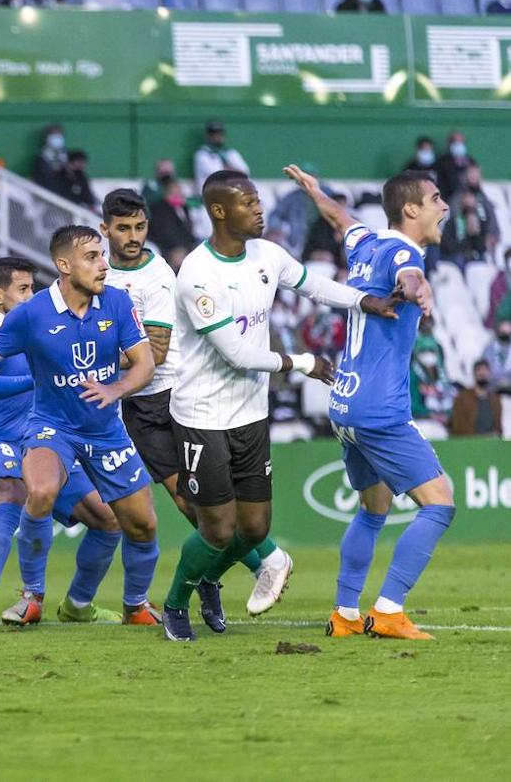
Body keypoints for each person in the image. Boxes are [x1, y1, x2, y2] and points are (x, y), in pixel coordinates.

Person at [158, 169, 400, 642]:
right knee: (218, 529)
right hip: (202, 417)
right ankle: (175, 603)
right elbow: (239, 354)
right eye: (248, 203)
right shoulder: (197, 275)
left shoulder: (266, 255)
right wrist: (304, 361)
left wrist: (361, 300)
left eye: (257, 201)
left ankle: (209, 576)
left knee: (254, 527)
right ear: (219, 211)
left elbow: (313, 285)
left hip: (250, 414)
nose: (259, 209)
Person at [0, 226, 163, 627]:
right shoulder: (32, 314)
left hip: (105, 431)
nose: (103, 265)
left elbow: (145, 363)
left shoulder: (117, 302)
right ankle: (31, 597)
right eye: (93, 258)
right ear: (64, 266)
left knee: (137, 523)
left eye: (102, 256)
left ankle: (128, 605)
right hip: (51, 427)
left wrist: (115, 388)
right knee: (40, 490)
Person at [102, 189, 290, 628]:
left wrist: (90, 355)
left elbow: (159, 353)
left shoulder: (162, 277)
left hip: (172, 396)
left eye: (140, 227)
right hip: (137, 406)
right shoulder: (98, 270)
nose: (132, 236)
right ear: (104, 229)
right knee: (192, 508)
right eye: (123, 228)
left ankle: (264, 561)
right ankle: (216, 578)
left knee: (198, 506)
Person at [286, 164, 459, 639]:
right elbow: (408, 277)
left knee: (373, 509)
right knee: (439, 503)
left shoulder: (366, 244)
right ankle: (387, 611)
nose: (444, 208)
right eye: (437, 200)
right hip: (380, 407)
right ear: (411, 209)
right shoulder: (404, 251)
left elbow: (341, 219)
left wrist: (317, 192)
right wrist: (416, 290)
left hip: (344, 402)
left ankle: (344, 616)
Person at [144, 160, 199, 263]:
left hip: (186, 245)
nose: (178, 193)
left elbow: (187, 231)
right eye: (173, 192)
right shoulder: (159, 207)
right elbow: (165, 233)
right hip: (167, 248)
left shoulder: (183, 207)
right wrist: (177, 249)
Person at [450, 359, 502, 435]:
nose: (482, 373)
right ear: (474, 373)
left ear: (489, 373)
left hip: (491, 442)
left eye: (485, 370)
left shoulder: (496, 400)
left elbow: (498, 426)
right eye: (479, 370)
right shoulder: (462, 398)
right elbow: (457, 426)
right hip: (470, 441)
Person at [192, 119, 249, 186]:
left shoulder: (231, 153)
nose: (217, 136)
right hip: (209, 194)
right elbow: (218, 174)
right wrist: (234, 171)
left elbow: (245, 172)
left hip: (232, 193)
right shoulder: (201, 154)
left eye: (219, 133)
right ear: (208, 135)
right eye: (213, 133)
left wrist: (227, 169)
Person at [434, 130, 474, 202]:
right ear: (449, 143)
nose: (458, 144)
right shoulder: (441, 161)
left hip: (467, 197)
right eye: (455, 141)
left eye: (460, 141)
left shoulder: (470, 161)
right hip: (448, 197)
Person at [31, 124, 69, 196]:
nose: (57, 138)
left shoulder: (67, 156)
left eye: (59, 136)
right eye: (54, 135)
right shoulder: (41, 158)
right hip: (47, 195)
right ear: (46, 138)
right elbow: (46, 178)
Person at [482, 319, 511, 393]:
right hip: (493, 390)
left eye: (508, 332)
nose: (506, 334)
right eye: (503, 332)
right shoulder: (489, 349)